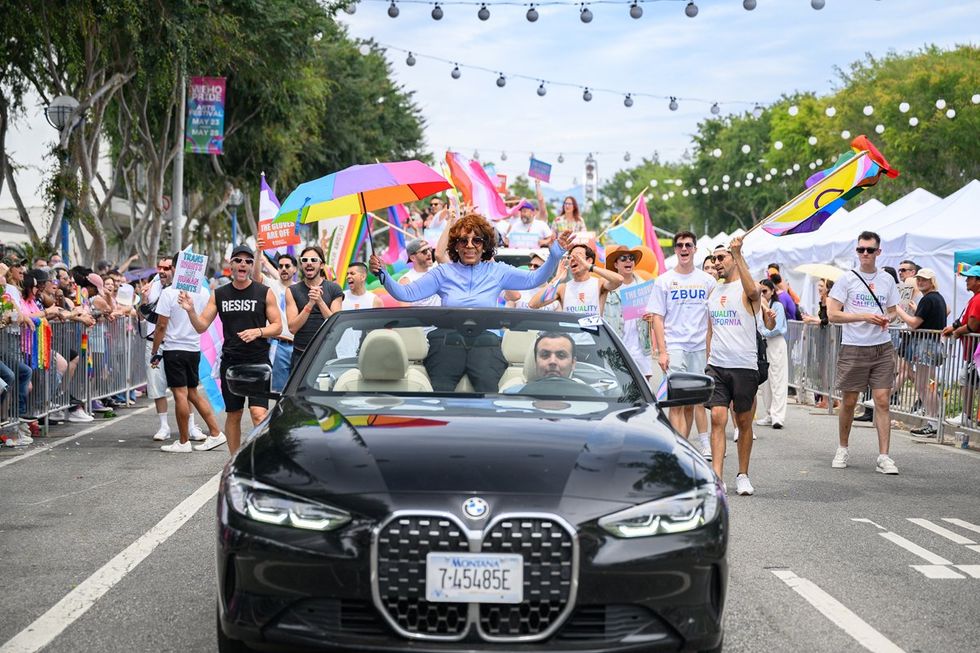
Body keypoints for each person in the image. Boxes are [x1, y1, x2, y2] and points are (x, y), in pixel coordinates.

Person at [371, 212, 573, 391]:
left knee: (488, 392)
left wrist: (555, 255)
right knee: (441, 394)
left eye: (476, 240)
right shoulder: (443, 272)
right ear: (455, 245)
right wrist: (383, 274)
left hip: (486, 344)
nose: (469, 246)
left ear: (484, 245)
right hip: (447, 343)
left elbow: (533, 280)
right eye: (462, 241)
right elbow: (405, 293)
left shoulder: (497, 271)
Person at [180, 244, 282, 455]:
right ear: (231, 265)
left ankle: (261, 458)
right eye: (238, 260)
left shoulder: (265, 292)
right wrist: (190, 311)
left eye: (247, 261)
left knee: (258, 414)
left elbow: (277, 326)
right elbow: (201, 326)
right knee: (234, 414)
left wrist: (258, 332)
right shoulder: (219, 294)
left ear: (252, 265)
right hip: (231, 363)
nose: (243, 264)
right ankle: (235, 460)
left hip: (258, 361)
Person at [705, 238, 775, 496]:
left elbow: (755, 294)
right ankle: (716, 477)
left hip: (744, 366)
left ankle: (743, 474)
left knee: (743, 422)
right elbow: (710, 330)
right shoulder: (713, 291)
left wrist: (738, 252)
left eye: (721, 258)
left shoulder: (748, 288)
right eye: (714, 259)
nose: (716, 263)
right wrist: (707, 359)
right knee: (717, 418)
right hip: (717, 365)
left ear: (734, 259)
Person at [827, 231, 901, 475]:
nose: (865, 254)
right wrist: (863, 316)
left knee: (882, 399)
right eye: (861, 249)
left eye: (870, 250)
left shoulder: (887, 280)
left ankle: (884, 456)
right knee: (849, 401)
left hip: (881, 346)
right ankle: (843, 447)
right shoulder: (846, 279)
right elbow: (832, 314)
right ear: (857, 252)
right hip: (854, 346)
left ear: (878, 252)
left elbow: (892, 310)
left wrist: (885, 319)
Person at [644, 231, 716, 457]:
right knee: (676, 401)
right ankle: (678, 449)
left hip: (699, 347)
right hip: (675, 346)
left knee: (692, 401)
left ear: (695, 249)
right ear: (675, 250)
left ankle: (683, 444)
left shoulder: (708, 281)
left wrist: (711, 348)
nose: (683, 249)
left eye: (688, 245)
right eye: (679, 246)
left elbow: (714, 318)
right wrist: (662, 352)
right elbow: (657, 317)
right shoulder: (664, 281)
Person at [150, 254, 226, 453]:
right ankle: (216, 432)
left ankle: (184, 442)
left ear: (176, 267)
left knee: (180, 395)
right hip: (194, 348)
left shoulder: (169, 293)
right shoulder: (202, 291)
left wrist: (155, 350)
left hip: (175, 349)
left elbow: (161, 326)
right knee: (192, 393)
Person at [894, 268, 948, 437]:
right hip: (931, 345)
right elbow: (943, 313)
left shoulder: (929, 299)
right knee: (926, 384)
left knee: (926, 385)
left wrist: (898, 310)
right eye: (918, 279)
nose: (920, 282)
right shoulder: (936, 298)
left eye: (924, 279)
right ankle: (936, 419)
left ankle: (934, 422)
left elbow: (914, 323)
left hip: (926, 347)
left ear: (931, 281)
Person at [285, 246, 344, 370]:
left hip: (326, 353)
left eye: (313, 260)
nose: (309, 263)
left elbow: (336, 323)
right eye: (305, 260)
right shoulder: (292, 290)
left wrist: (320, 301)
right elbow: (292, 328)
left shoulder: (334, 289)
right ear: (301, 265)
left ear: (321, 265)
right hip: (300, 354)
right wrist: (310, 304)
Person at [529, 244, 622, 314]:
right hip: (570, 339)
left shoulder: (599, 283)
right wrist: (556, 279)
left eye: (578, 256)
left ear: (589, 260)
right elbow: (533, 304)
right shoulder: (563, 288)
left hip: (593, 339)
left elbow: (619, 280)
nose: (573, 259)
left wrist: (590, 267)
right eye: (570, 257)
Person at [604, 246, 653, 378]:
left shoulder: (644, 287)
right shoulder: (608, 289)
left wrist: (651, 317)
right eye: (623, 258)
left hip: (641, 347)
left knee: (644, 388)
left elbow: (656, 315)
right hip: (616, 347)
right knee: (618, 387)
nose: (628, 261)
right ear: (616, 264)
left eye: (631, 258)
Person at [942, 265, 980, 427]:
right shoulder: (975, 298)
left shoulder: (978, 299)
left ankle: (967, 416)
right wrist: (954, 328)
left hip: (975, 350)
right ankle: (968, 416)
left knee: (967, 380)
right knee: (967, 380)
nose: (966, 281)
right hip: (972, 349)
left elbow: (973, 325)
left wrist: (957, 332)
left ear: (978, 281)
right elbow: (965, 320)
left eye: (970, 278)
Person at [506, 332, 600, 396]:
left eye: (561, 355)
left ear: (573, 363)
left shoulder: (594, 398)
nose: (552, 361)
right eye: (545, 355)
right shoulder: (512, 396)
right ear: (535, 361)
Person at [756, 279, 788, 429]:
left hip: (775, 342)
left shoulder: (777, 306)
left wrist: (764, 331)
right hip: (764, 344)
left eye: (765, 291)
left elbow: (779, 326)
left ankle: (778, 416)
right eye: (760, 291)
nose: (763, 294)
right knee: (766, 381)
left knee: (778, 379)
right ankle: (769, 413)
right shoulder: (758, 306)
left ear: (772, 291)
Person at [263, 253, 297, 392]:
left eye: (287, 266)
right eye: (280, 266)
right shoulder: (271, 285)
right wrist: (260, 253)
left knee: (297, 390)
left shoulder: (299, 289)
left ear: (294, 269)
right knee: (280, 392)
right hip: (278, 345)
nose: (283, 268)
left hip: (298, 347)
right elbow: (255, 276)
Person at [802, 278, 837, 410]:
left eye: (822, 286)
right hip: (822, 338)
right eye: (818, 286)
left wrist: (811, 319)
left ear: (828, 288)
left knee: (826, 369)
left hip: (827, 339)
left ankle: (827, 399)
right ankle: (828, 398)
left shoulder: (828, 301)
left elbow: (827, 319)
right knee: (823, 369)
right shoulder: (823, 301)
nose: (819, 288)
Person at [400, 239, 441, 307]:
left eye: (429, 249)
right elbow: (406, 312)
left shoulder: (438, 269)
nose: (429, 253)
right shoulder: (406, 281)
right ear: (413, 258)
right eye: (424, 251)